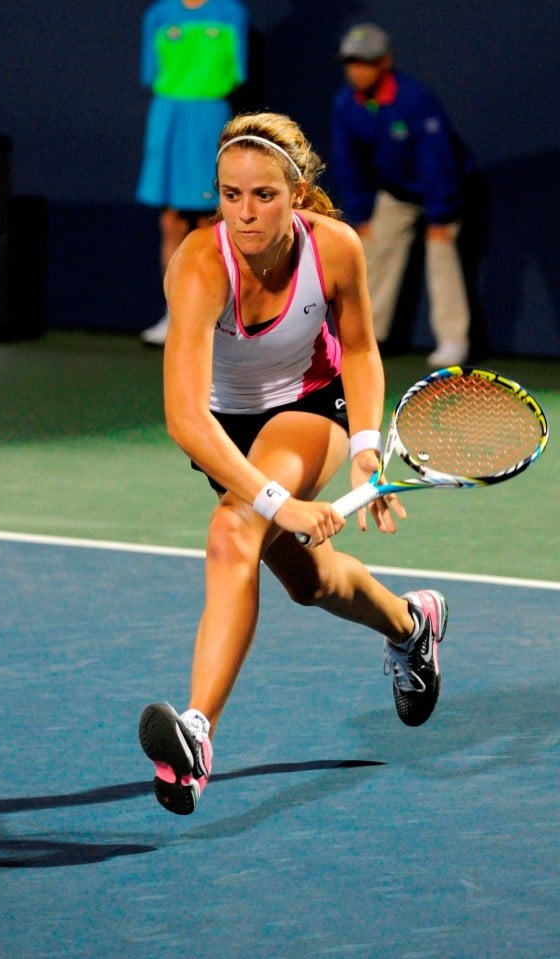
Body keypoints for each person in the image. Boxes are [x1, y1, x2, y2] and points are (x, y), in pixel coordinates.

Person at [137, 111, 449, 816]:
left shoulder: (334, 248)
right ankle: (410, 625)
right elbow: (187, 418)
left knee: (231, 534)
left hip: (312, 407)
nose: (246, 213)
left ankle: (195, 736)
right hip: (225, 430)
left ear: (298, 191)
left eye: (265, 195)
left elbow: (362, 349)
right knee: (308, 581)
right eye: (230, 194)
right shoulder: (197, 263)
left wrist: (367, 444)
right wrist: (280, 501)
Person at [331, 23, 482, 367]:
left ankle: (453, 342)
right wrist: (362, 215)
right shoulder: (345, 103)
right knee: (371, 252)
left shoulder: (415, 100)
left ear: (385, 62)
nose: (357, 70)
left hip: (441, 189)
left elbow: (437, 162)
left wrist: (440, 216)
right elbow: (347, 161)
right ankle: (366, 338)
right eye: (351, 62)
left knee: (441, 257)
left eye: (365, 62)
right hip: (396, 192)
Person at [136, 0, 249, 346]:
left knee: (209, 223)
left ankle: (215, 316)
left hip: (208, 119)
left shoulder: (231, 13)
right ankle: (175, 314)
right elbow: (151, 72)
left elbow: (236, 72)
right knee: (171, 220)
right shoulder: (158, 15)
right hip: (168, 117)